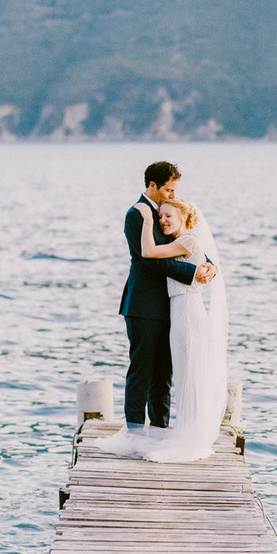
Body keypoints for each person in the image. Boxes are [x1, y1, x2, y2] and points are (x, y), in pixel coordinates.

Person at [99, 195, 227, 462]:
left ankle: (186, 436)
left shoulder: (186, 240)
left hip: (186, 314)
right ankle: (176, 433)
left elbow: (151, 254)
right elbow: (158, 259)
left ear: (184, 217)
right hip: (175, 312)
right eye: (160, 216)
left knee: (183, 376)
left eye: (169, 216)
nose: (162, 220)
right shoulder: (178, 240)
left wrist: (147, 220)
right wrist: (206, 268)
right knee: (178, 374)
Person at [118, 162, 215, 433]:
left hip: (174, 306)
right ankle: (134, 432)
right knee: (141, 371)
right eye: (169, 190)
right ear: (153, 186)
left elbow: (185, 241)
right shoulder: (137, 214)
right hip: (144, 305)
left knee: (164, 373)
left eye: (175, 190)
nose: (173, 194)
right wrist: (193, 273)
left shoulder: (168, 211)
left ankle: (159, 429)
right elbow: (149, 260)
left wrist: (209, 266)